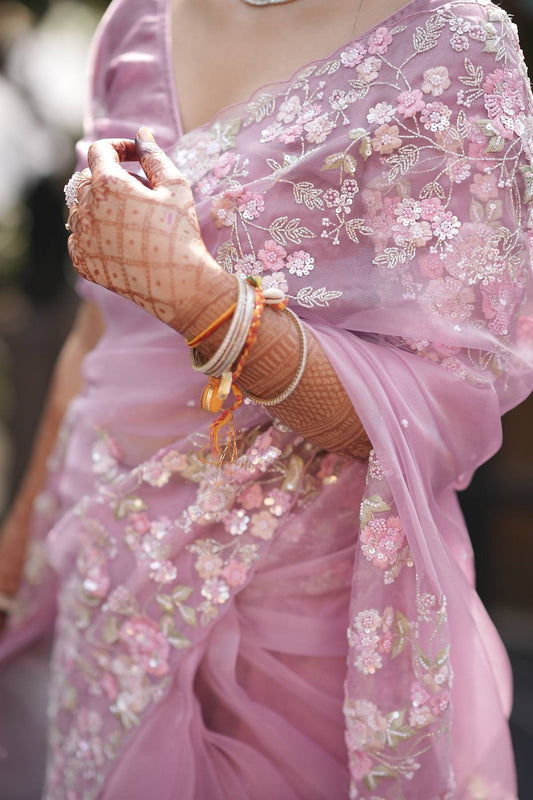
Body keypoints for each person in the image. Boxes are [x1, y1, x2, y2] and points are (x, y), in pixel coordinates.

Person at [1, 0, 533, 797]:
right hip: (106, 573)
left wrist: (197, 298)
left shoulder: (450, 45)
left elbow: (443, 405)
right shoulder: (136, 22)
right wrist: (16, 553)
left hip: (289, 621)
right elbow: (97, 326)